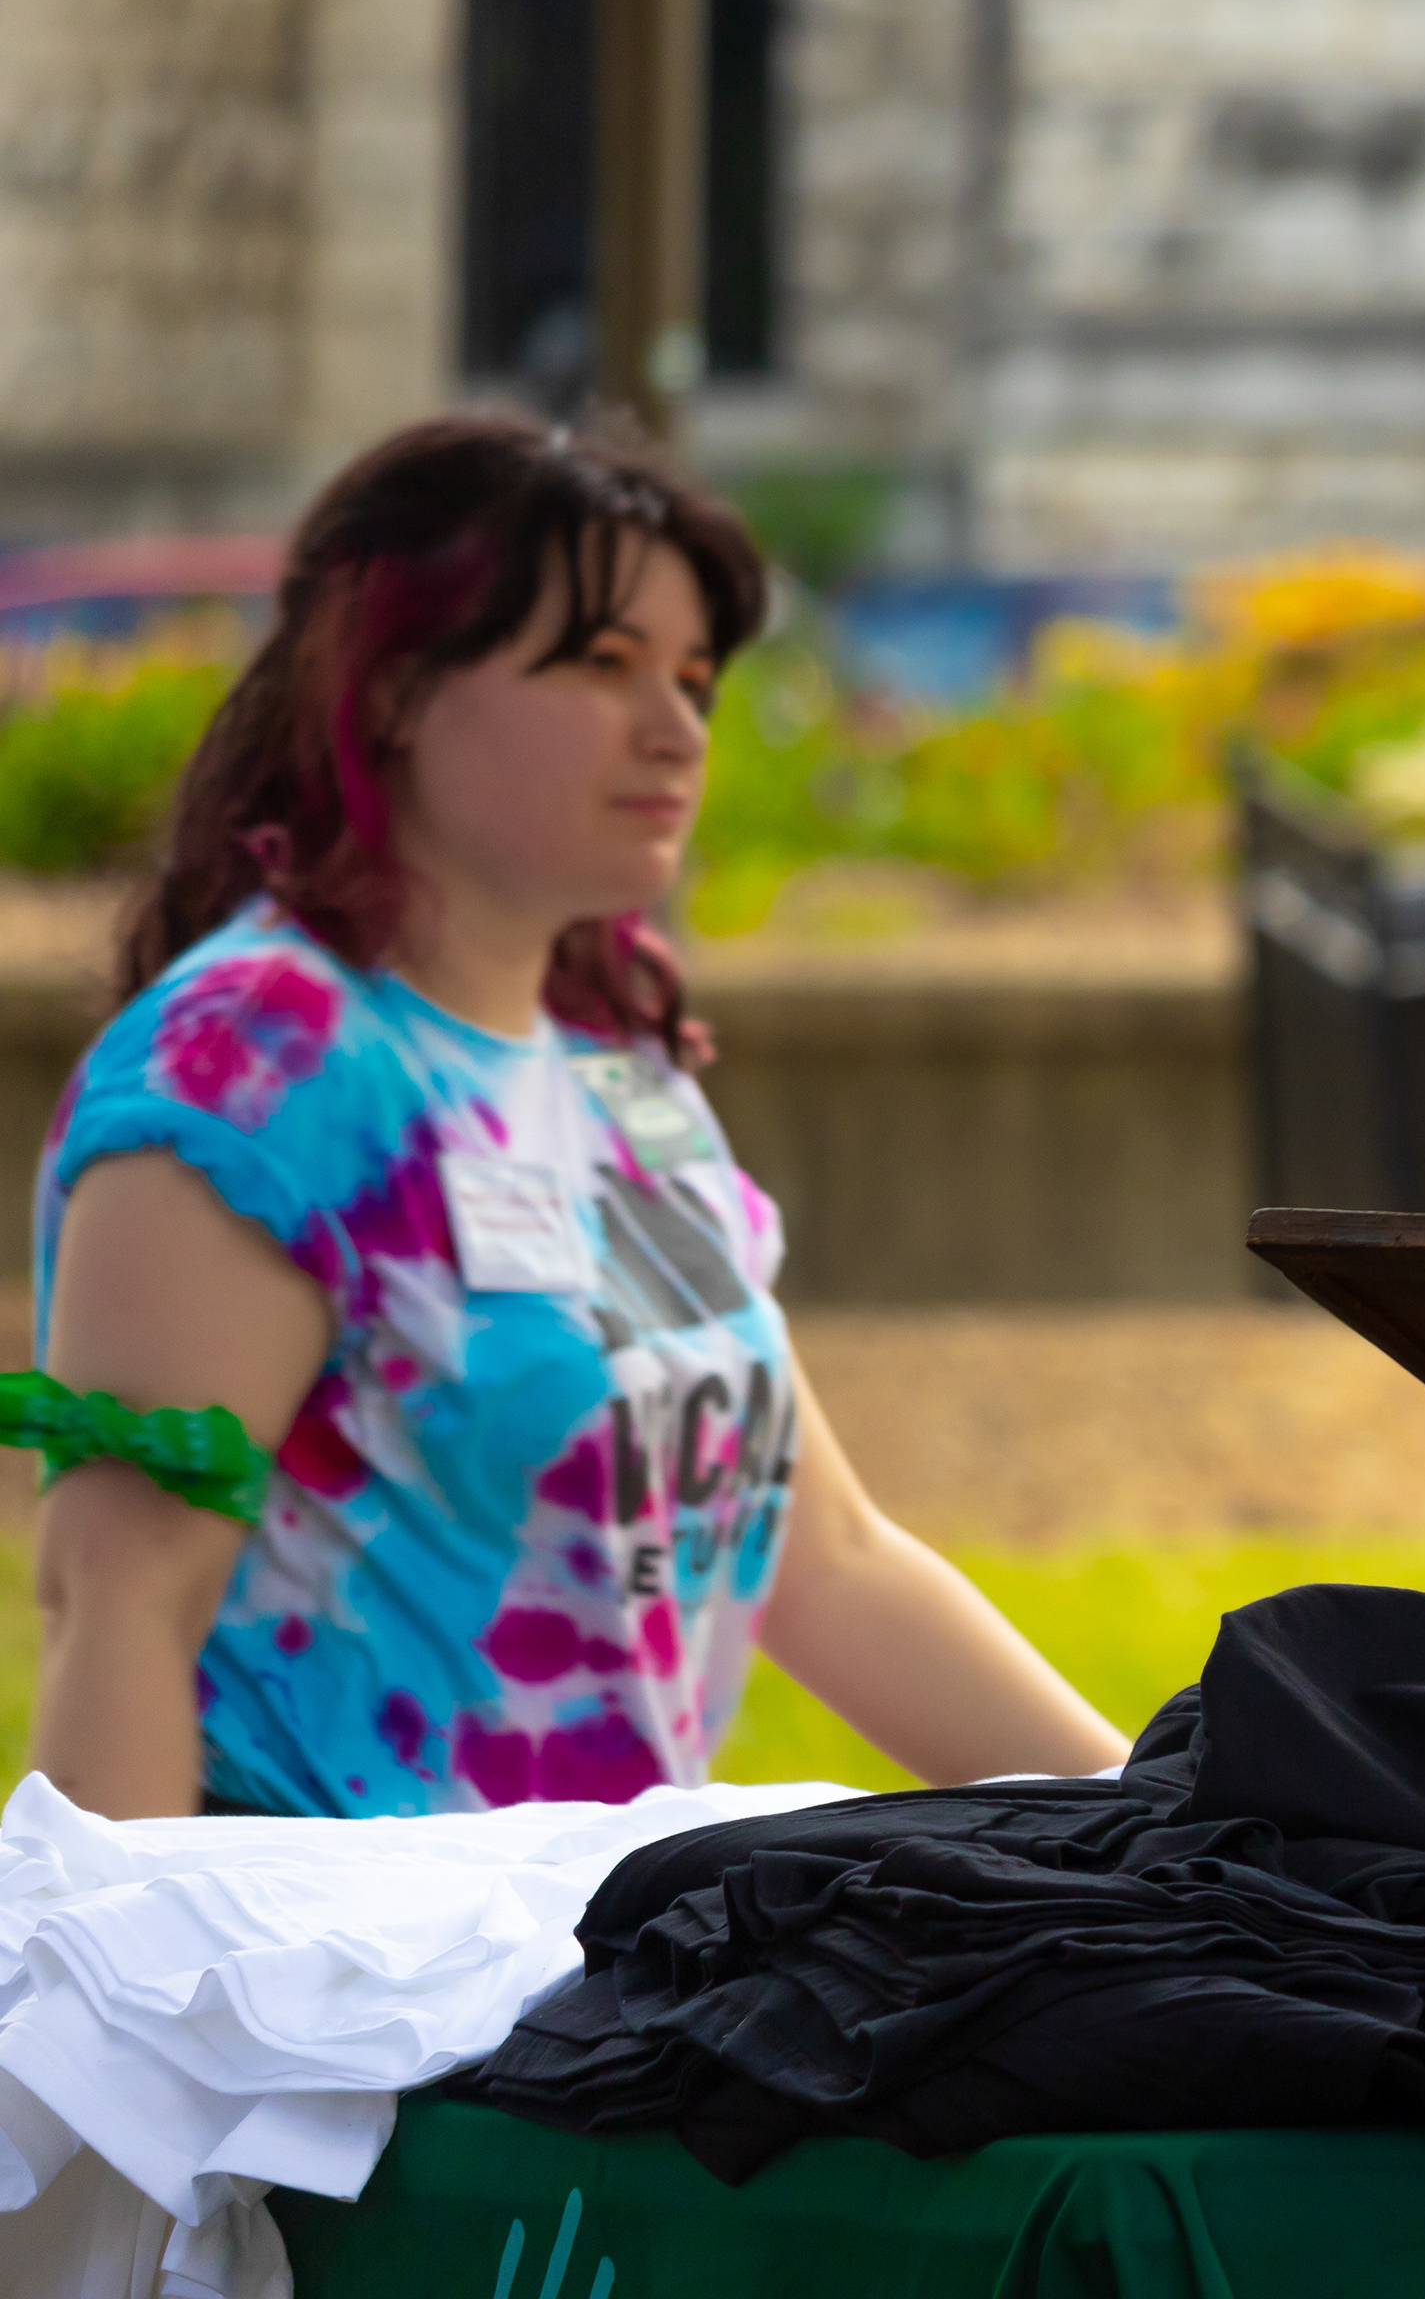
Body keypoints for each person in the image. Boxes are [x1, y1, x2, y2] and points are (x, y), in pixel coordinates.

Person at [23, 415, 1130, 1819]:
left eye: (694, 677)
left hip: (594, 1969)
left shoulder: (615, 1068)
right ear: (394, 689)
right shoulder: (249, 1063)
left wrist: (1172, 1821)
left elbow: (829, 1559)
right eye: (603, 666)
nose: (677, 731)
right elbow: (117, 1605)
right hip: (344, 1989)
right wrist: (141, 2021)